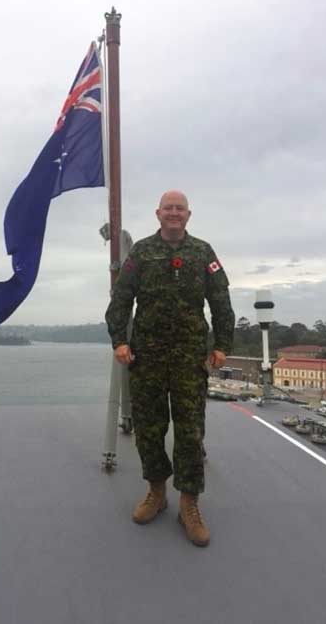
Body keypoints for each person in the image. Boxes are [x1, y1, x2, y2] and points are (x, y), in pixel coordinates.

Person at [105, 190, 235, 547]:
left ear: (188, 215)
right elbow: (121, 299)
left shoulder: (203, 252)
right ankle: (157, 493)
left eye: (180, 209)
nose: (174, 213)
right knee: (149, 428)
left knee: (190, 431)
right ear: (158, 214)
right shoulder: (142, 252)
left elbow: (221, 300)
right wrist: (120, 339)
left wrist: (223, 344)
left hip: (190, 356)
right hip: (146, 355)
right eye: (168, 208)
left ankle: (189, 505)